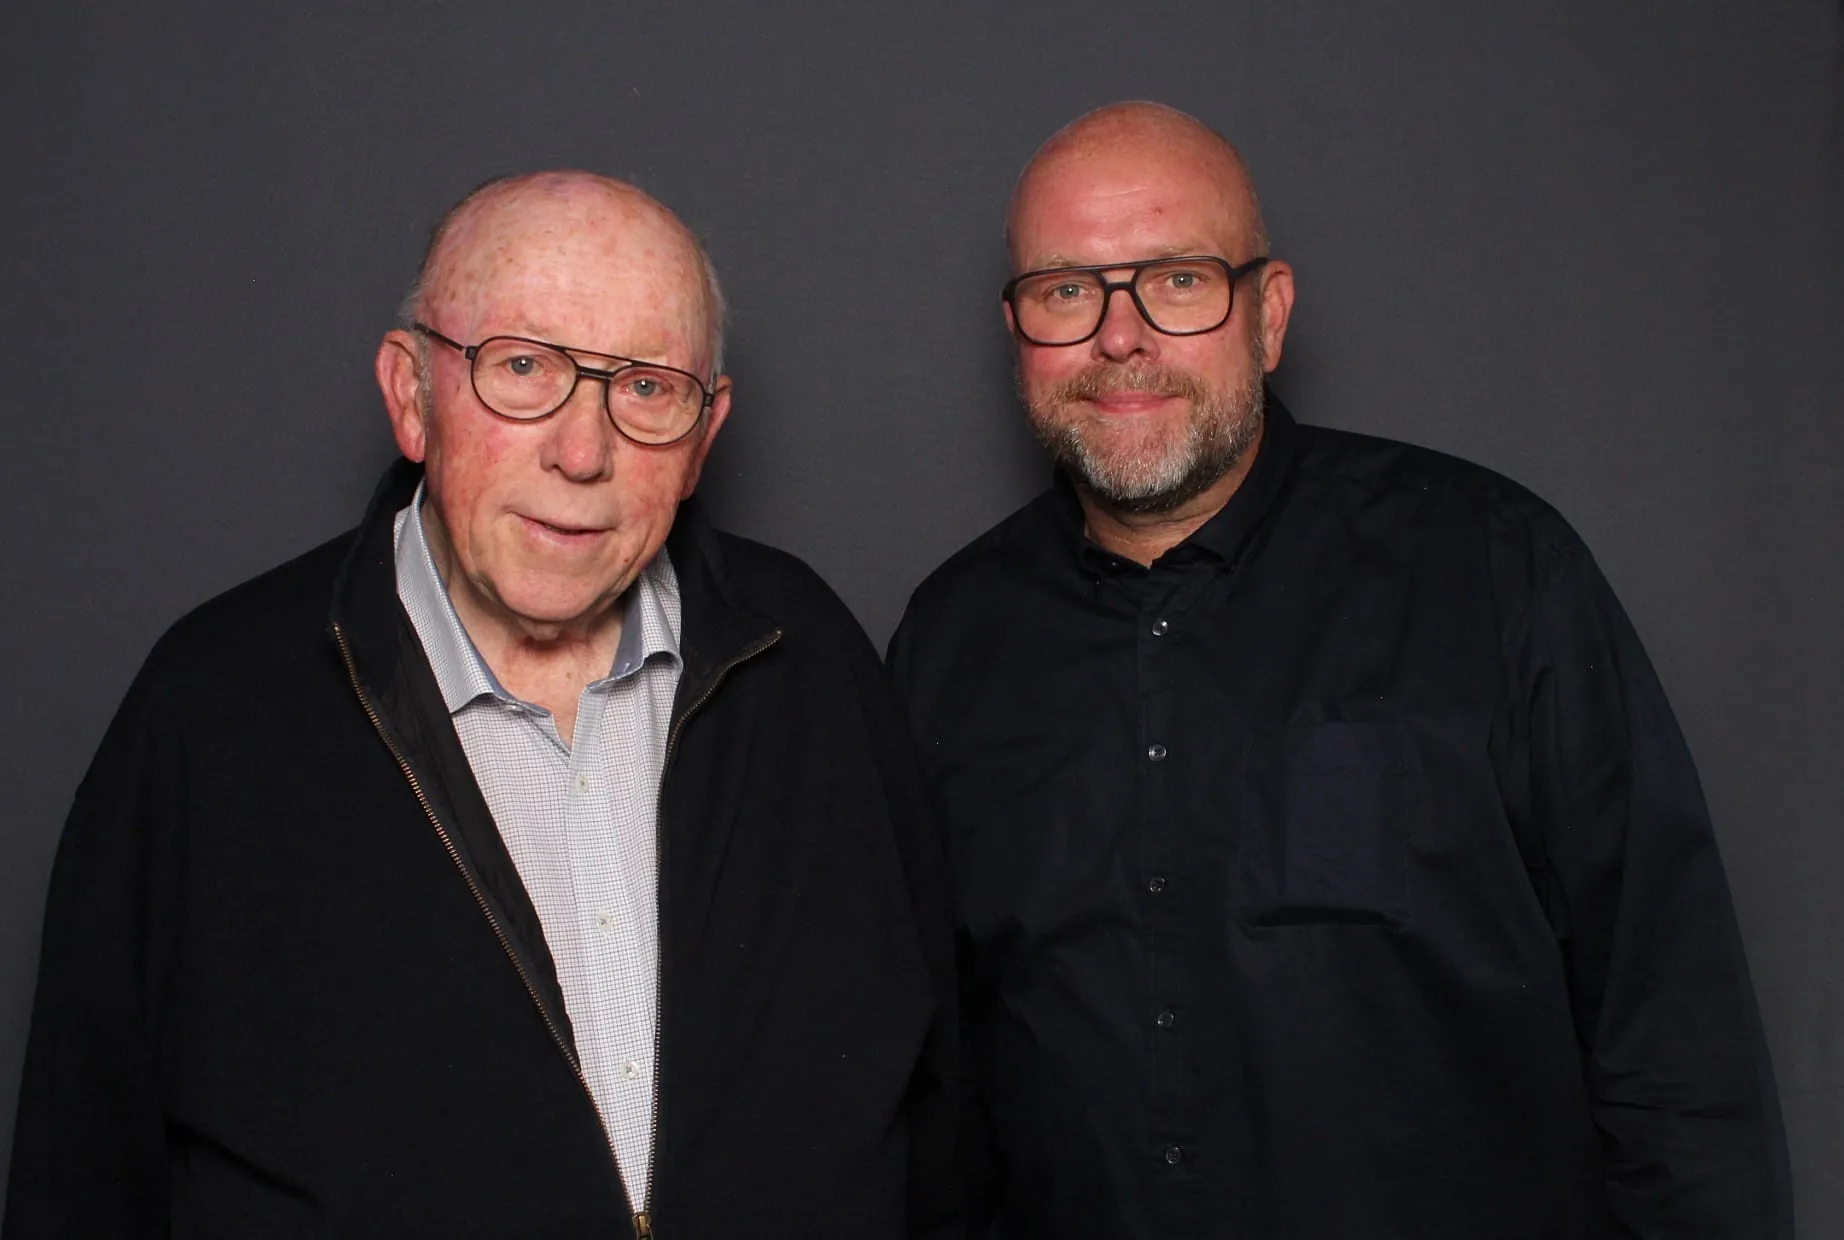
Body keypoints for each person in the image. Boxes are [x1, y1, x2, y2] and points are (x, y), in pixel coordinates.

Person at [887, 102, 1787, 1238]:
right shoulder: (948, 642)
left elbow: (1673, 1037)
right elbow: (940, 1095)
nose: (1118, 336)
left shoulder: (1495, 572)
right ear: (1017, 330)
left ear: (1266, 316)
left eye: (1175, 280)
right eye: (1067, 290)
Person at [7, 171, 959, 1239]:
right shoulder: (210, 712)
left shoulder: (812, 661)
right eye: (522, 367)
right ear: (411, 393)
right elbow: (80, 1169)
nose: (582, 451)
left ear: (703, 436)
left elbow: (942, 1117)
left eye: (644, 387)